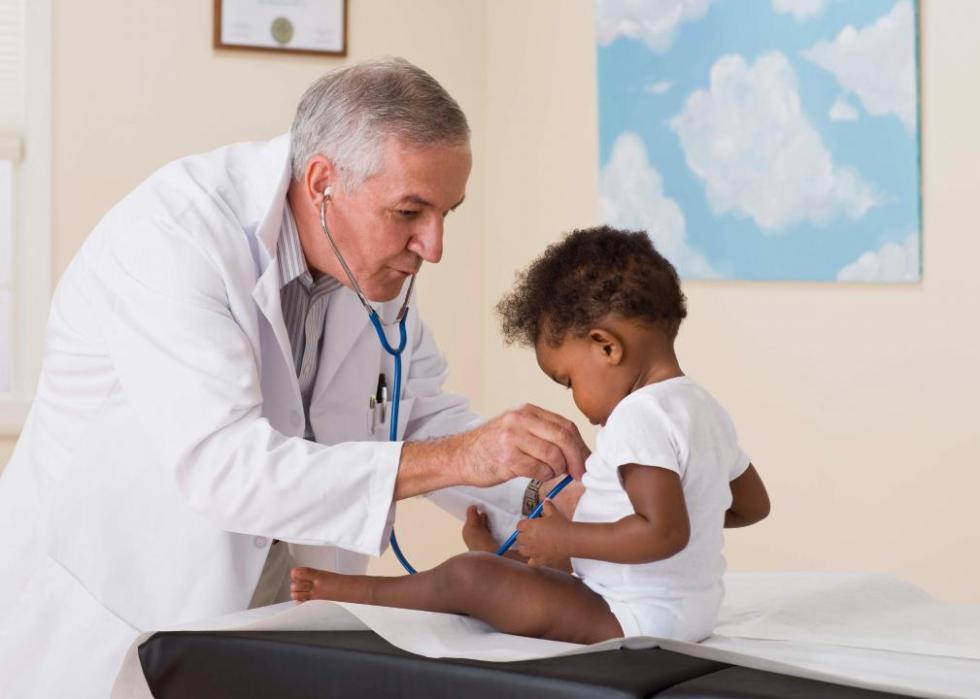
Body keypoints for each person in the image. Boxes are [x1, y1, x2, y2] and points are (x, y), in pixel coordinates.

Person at [0, 57, 588, 698]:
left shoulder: (373, 265)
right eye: (410, 212)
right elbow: (227, 469)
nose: (434, 245)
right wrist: (462, 456)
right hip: (111, 609)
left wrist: (550, 495)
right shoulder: (173, 240)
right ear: (321, 182)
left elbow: (411, 412)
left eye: (448, 212)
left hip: (270, 612)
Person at [290, 226, 771, 645]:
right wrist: (683, 511)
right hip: (689, 611)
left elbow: (663, 532)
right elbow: (752, 506)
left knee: (469, 577)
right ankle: (494, 554)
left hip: (632, 615)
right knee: (532, 566)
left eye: (568, 381)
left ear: (606, 347)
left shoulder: (637, 416)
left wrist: (568, 535)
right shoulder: (703, 407)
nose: (574, 400)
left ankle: (354, 593)